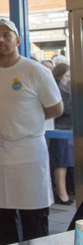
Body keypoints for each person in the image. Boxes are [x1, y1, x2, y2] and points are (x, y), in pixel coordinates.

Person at [0, 19, 63, 245]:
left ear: (18, 40)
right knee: (0, 218)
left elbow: (56, 107)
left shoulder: (35, 71)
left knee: (34, 219)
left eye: (6, 35)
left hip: (28, 153)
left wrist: (27, 121)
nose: (0, 40)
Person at [49, 63, 74, 205]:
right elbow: (60, 110)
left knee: (65, 162)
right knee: (61, 163)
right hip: (60, 129)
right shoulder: (58, 90)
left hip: (67, 128)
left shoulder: (67, 89)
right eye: (66, 76)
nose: (68, 79)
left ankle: (65, 192)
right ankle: (62, 194)